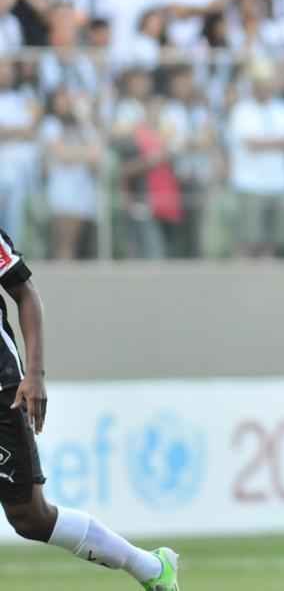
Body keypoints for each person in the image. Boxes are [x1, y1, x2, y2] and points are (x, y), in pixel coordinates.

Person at [0, 228, 180, 589]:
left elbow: (26, 293)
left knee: (30, 517)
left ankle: (151, 568)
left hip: (3, 389)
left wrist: (34, 374)